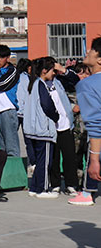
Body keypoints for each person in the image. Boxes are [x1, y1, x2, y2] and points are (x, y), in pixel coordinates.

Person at [21, 57, 59, 198]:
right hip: (43, 129)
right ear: (44, 71)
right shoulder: (41, 84)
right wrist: (56, 116)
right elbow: (47, 105)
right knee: (45, 161)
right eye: (52, 70)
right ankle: (43, 189)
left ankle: (34, 187)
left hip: (33, 129)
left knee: (39, 160)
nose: (53, 73)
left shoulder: (32, 83)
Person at [70, 37, 101, 206]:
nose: (87, 52)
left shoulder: (88, 85)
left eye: (92, 50)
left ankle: (87, 192)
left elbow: (96, 124)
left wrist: (94, 159)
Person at [49, 62, 78, 195]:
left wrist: (63, 70)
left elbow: (75, 80)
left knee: (69, 156)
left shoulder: (60, 81)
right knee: (54, 157)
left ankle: (71, 184)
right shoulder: (40, 84)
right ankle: (55, 184)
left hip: (65, 124)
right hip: (50, 126)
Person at [0, 45, 20, 158]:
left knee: (11, 147)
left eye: (1, 57)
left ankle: (14, 168)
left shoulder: (12, 71)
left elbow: (0, 85)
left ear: (7, 58)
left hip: (7, 110)